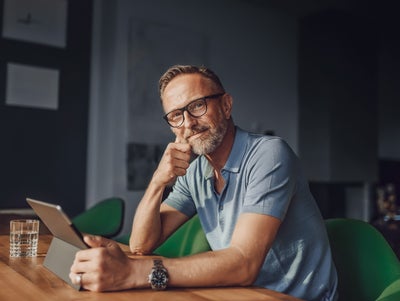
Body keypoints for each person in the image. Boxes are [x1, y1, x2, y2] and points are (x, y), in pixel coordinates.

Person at [70, 65, 338, 301]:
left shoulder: (269, 154)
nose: (188, 123)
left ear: (226, 105)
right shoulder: (197, 171)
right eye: (176, 115)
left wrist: (134, 272)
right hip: (238, 293)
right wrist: (157, 182)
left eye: (198, 105)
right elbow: (142, 245)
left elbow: (244, 263)